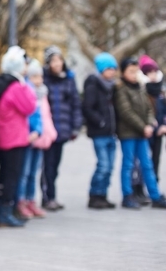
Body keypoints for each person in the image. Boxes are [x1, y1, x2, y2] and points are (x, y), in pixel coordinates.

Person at [0, 45, 37, 228]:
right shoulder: (16, 86)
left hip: (4, 137)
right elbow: (30, 106)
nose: (27, 67)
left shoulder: (2, 84)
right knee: (12, 177)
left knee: (4, 175)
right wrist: (25, 84)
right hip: (15, 138)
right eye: (25, 64)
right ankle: (5, 212)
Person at [113, 57, 166, 209]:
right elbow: (126, 112)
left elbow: (149, 108)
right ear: (123, 72)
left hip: (143, 133)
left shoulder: (141, 87)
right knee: (128, 164)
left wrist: (150, 123)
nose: (134, 74)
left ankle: (155, 195)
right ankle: (127, 195)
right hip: (128, 133)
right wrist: (143, 127)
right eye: (131, 71)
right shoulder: (121, 88)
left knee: (147, 165)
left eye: (136, 71)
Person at [41, 46, 82, 211]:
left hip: (62, 128)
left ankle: (52, 196)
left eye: (59, 60)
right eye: (53, 61)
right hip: (47, 130)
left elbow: (75, 104)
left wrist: (76, 126)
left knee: (55, 165)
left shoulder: (69, 80)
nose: (57, 64)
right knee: (47, 165)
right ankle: (47, 196)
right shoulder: (44, 80)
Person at [16, 60, 56, 219]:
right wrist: (31, 132)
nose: (38, 80)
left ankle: (31, 200)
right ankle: (21, 201)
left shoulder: (43, 93)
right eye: (34, 77)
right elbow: (26, 115)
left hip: (39, 136)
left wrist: (41, 131)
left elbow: (43, 116)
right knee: (24, 172)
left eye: (40, 77)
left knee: (34, 172)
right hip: (27, 137)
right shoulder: (25, 91)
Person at [83, 52, 119, 210]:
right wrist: (101, 122)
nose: (112, 72)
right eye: (109, 68)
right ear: (102, 69)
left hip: (111, 132)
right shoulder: (93, 85)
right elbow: (88, 108)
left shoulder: (112, 87)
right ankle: (95, 195)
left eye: (114, 68)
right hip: (100, 132)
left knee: (110, 167)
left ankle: (103, 195)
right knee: (103, 165)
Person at [139, 55, 166, 185]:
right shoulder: (142, 91)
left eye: (155, 72)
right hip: (146, 131)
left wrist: (164, 126)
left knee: (156, 159)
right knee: (144, 160)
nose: (153, 75)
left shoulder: (162, 92)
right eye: (149, 72)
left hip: (159, 131)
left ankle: (154, 185)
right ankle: (141, 185)